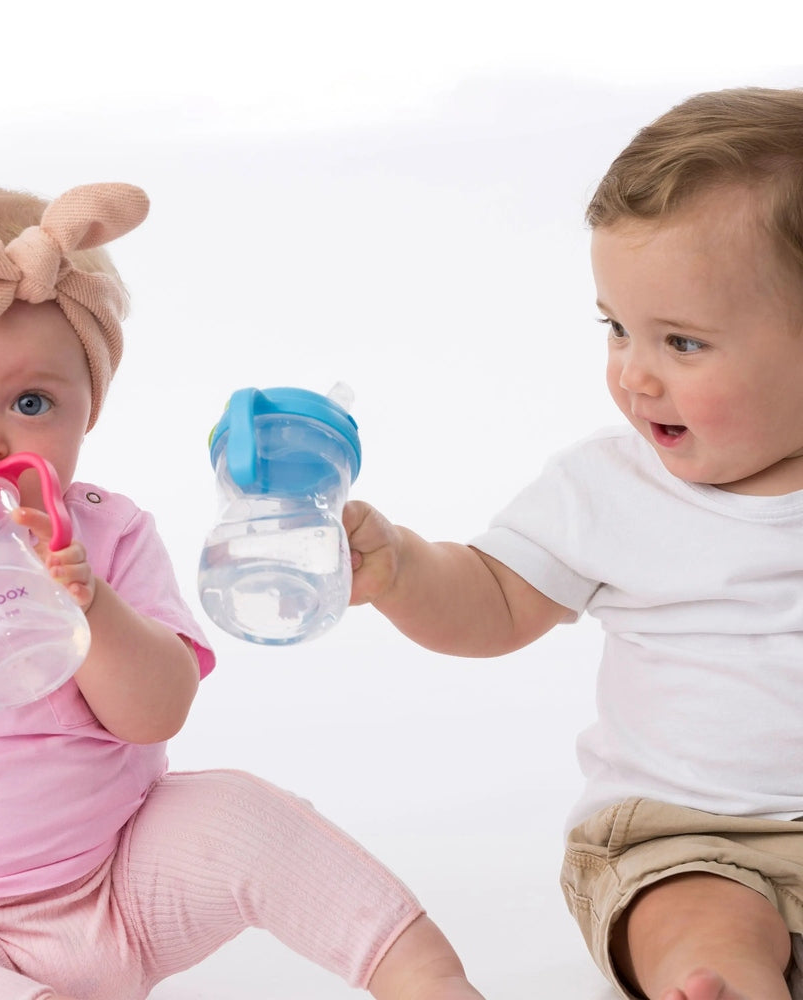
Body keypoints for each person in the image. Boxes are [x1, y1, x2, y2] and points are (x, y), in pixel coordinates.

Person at [0, 181, 484, 1000]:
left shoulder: (110, 534)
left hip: (121, 881)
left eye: (32, 402)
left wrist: (93, 606)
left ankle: (422, 976)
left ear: (89, 414)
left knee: (239, 812)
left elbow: (157, 714)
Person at [344, 86, 803, 1000]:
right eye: (617, 328)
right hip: (691, 839)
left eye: (682, 342)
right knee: (706, 934)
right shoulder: (608, 488)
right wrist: (399, 568)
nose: (633, 374)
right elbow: (494, 599)